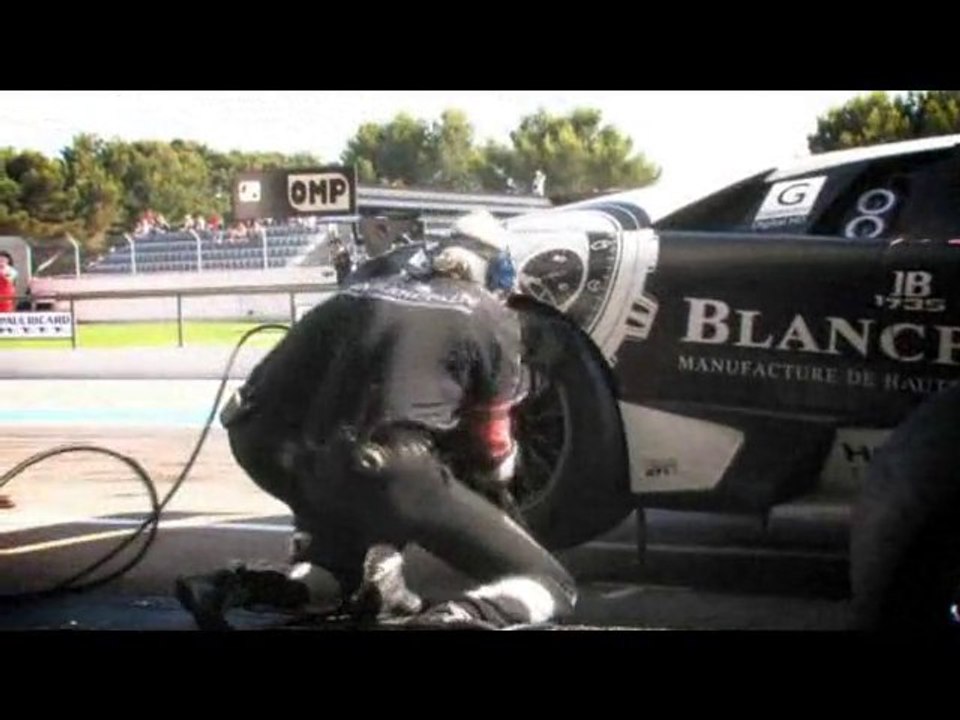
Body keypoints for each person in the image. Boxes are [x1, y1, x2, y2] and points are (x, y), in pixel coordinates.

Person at [175, 211, 577, 630]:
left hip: (265, 449)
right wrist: (494, 507)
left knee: (335, 577)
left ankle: (229, 586)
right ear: (493, 267)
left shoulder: (366, 288)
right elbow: (492, 448)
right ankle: (453, 619)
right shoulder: (492, 316)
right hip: (378, 462)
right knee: (550, 583)